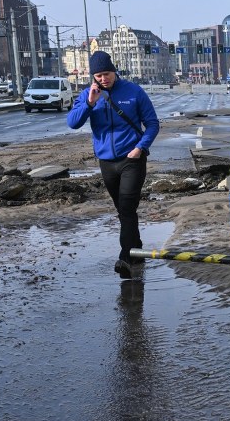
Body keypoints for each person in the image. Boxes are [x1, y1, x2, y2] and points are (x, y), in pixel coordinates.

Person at [66, 50, 160, 278]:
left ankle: (125, 257)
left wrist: (141, 148)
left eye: (107, 74)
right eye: (98, 75)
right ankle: (135, 245)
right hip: (106, 162)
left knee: (127, 206)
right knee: (122, 210)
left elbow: (153, 124)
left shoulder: (134, 91)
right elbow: (72, 123)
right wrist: (89, 103)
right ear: (93, 76)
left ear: (114, 71)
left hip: (132, 159)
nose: (103, 79)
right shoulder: (89, 95)